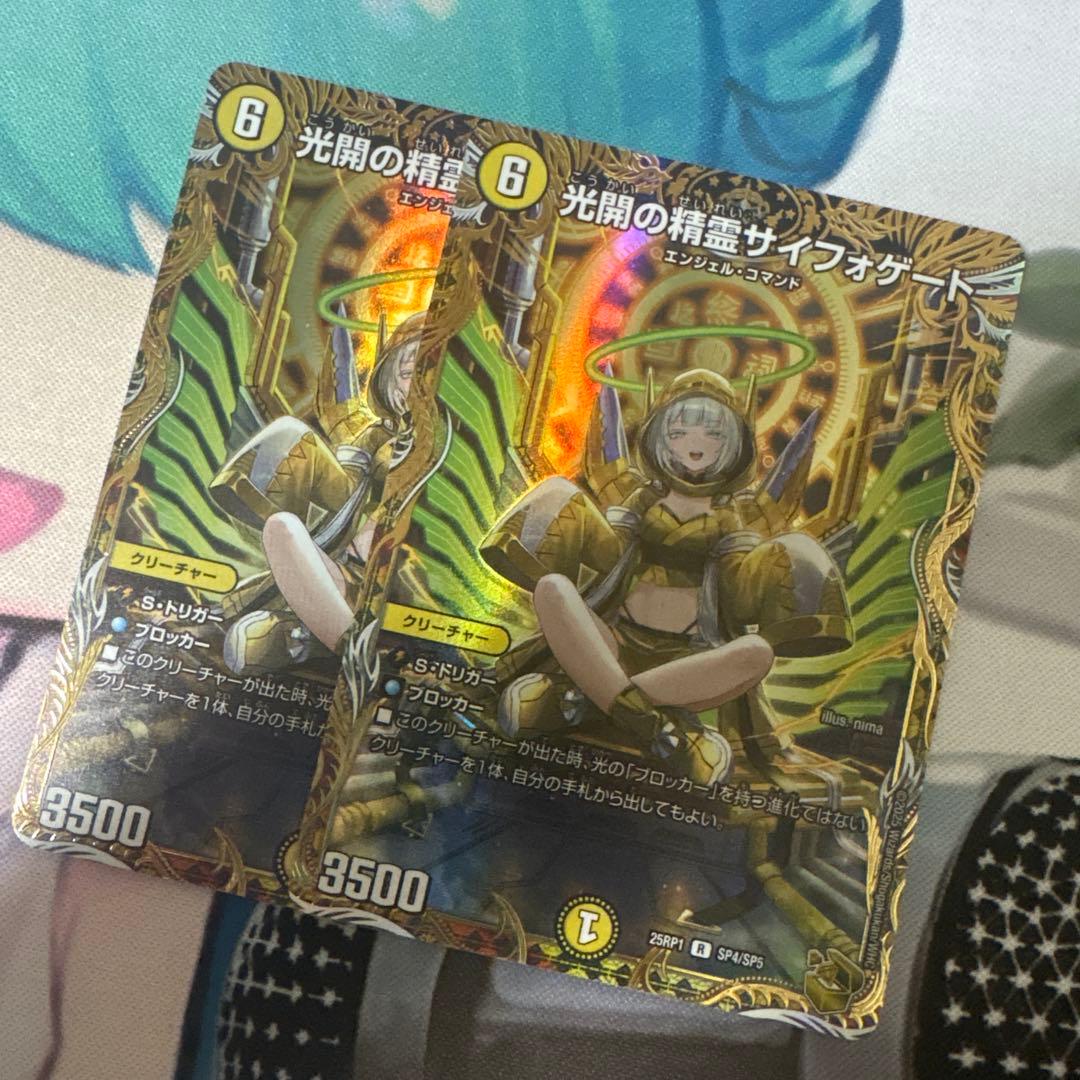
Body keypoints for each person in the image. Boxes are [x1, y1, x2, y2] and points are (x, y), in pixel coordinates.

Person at [480, 368, 853, 785]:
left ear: (734, 444)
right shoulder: (637, 502)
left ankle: (585, 696)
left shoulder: (735, 521)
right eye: (680, 432)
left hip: (687, 664)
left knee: (756, 653)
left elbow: (740, 595)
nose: (696, 444)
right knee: (553, 588)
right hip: (610, 642)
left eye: (713, 434)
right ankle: (659, 729)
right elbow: (606, 556)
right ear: (659, 436)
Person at [209, 312, 424, 672]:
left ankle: (345, 647)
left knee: (256, 641)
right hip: (345, 569)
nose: (416, 386)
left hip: (403, 584)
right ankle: (334, 638)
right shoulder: (375, 436)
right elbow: (345, 495)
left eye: (427, 377)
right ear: (390, 377)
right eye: (407, 373)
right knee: (287, 465)